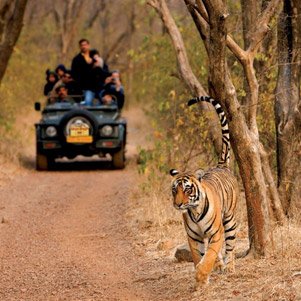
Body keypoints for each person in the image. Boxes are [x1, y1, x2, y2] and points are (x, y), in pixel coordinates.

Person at [71, 38, 95, 105]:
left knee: (88, 103)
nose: (84, 46)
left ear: (88, 45)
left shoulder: (94, 57)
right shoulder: (76, 59)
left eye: (85, 45)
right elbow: (74, 74)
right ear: (80, 47)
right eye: (82, 45)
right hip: (79, 88)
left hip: (91, 88)